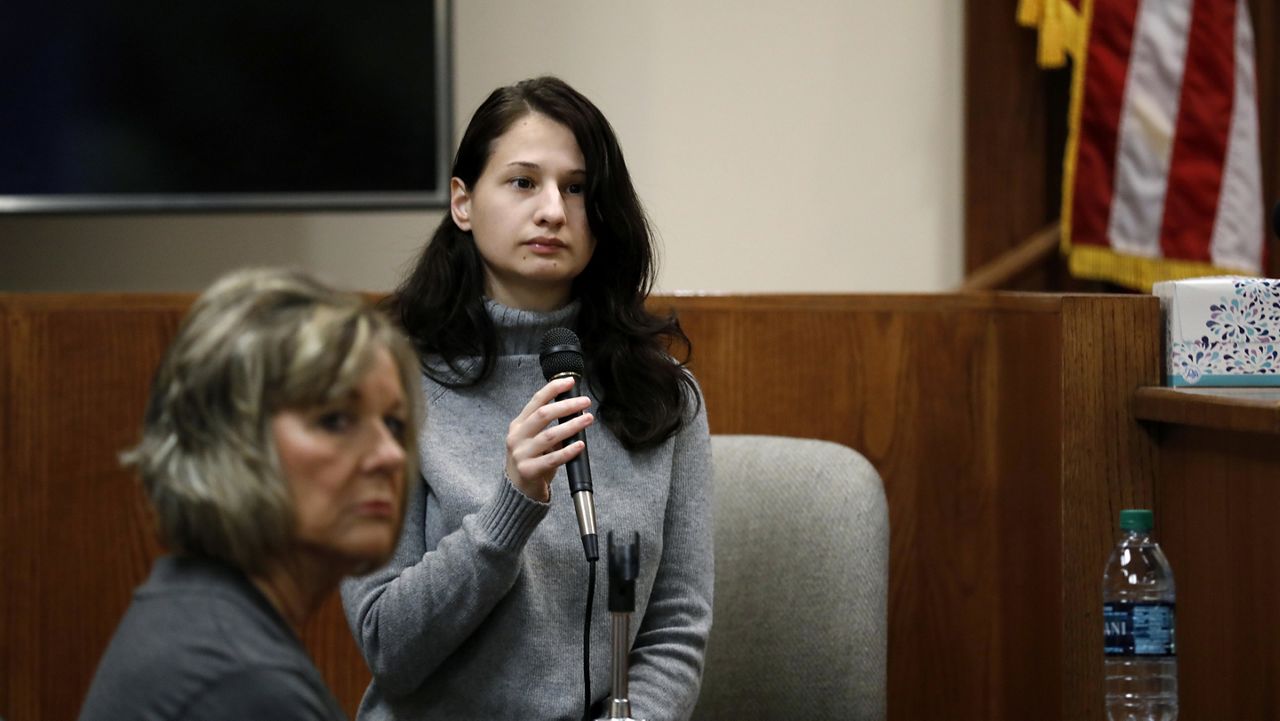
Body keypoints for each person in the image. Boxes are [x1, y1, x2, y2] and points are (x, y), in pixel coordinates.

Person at [340, 76, 714, 721]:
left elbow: (674, 629)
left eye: (575, 188)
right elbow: (386, 645)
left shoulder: (662, 396)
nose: (552, 211)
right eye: (522, 182)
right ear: (463, 202)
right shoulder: (384, 387)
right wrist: (510, 507)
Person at [78, 268, 423, 721]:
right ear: (227, 437)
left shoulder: (192, 613)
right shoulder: (239, 680)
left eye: (394, 425)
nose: (390, 456)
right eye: (336, 419)